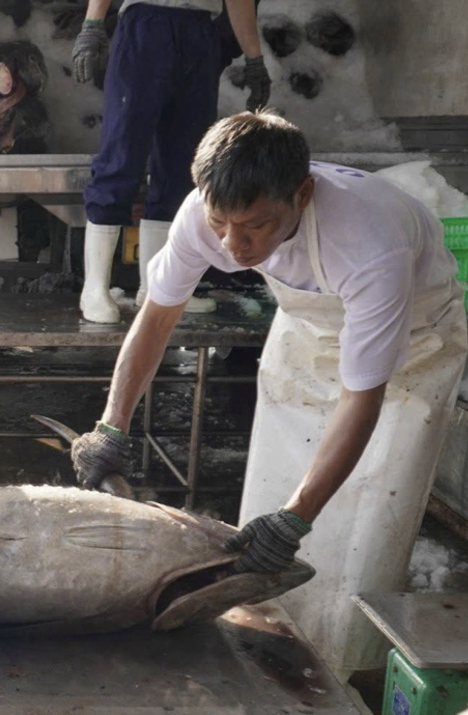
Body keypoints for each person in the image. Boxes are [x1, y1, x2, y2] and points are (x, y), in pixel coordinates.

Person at [70, 111, 468, 681]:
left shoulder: (368, 243)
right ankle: (261, 664)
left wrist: (297, 519)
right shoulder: (202, 214)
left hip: (412, 351)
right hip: (307, 334)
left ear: (302, 195)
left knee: (363, 530)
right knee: (263, 517)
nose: (233, 245)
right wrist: (113, 424)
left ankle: (342, 678)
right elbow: (155, 320)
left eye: (255, 225)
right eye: (221, 224)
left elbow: (363, 398)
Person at [71, 0, 269, 323]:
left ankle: (157, 288)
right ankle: (94, 289)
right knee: (121, 156)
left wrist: (254, 58)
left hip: (200, 31)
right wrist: (92, 25)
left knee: (183, 167)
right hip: (146, 25)